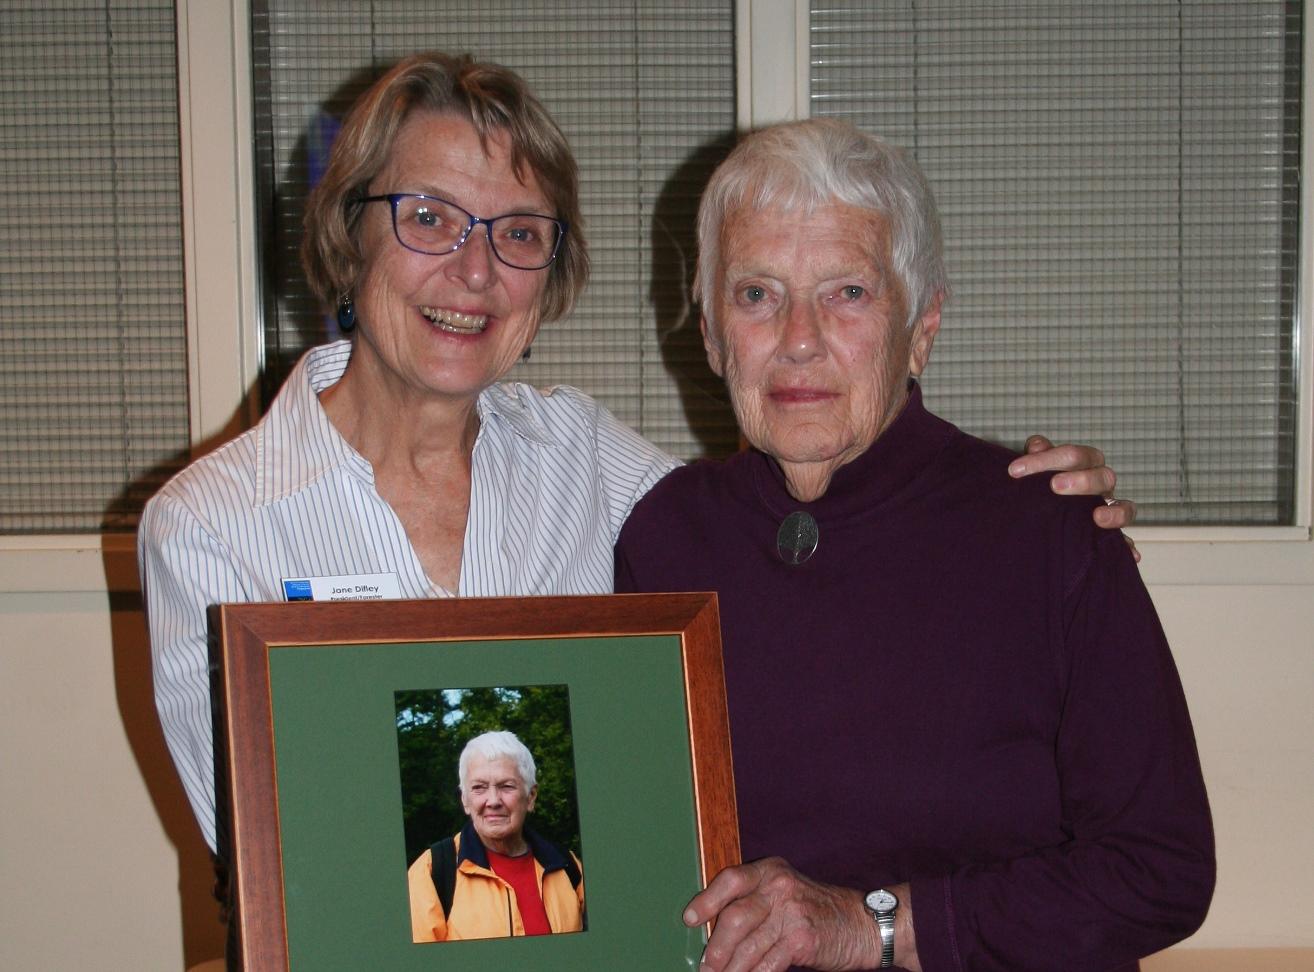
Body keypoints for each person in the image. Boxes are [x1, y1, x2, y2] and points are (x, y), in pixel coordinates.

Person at [138, 51, 1130, 855]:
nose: (474, 270)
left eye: (518, 232)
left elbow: (803, 515)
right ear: (351, 236)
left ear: (547, 278)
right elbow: (276, 861)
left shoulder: (587, 458)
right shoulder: (213, 526)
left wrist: (1021, 501)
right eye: (429, 218)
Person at [613, 119, 1214, 972]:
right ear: (711, 335)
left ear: (922, 325)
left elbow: (1162, 870)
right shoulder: (664, 536)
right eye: (756, 294)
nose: (799, 337)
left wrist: (875, 928)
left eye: (848, 292)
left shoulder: (1048, 533)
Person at [406, 731, 584, 942]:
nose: (493, 801)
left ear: (531, 797)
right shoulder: (431, 872)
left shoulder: (568, 866)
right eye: (479, 788)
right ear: (465, 800)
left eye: (506, 786)